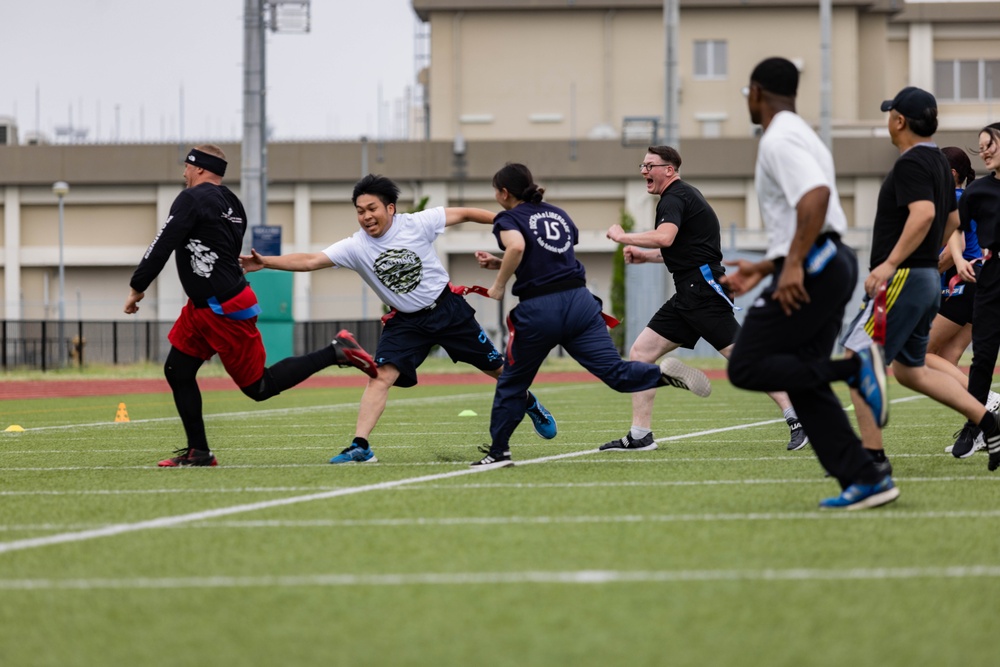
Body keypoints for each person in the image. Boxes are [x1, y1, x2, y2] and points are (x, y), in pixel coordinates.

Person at [240, 173, 557, 464]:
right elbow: (310, 260)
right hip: (406, 324)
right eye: (360, 210)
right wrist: (265, 261)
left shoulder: (417, 223)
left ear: (390, 208)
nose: (366, 216)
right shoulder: (355, 246)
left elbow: (464, 213)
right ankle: (361, 445)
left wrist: (510, 222)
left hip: (448, 312)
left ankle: (529, 402)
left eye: (372, 208)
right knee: (380, 376)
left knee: (499, 370)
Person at [124, 144, 377, 468]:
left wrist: (137, 287)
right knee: (178, 370)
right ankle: (199, 452)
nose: (183, 174)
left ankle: (336, 350)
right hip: (204, 306)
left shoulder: (191, 198)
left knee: (259, 387)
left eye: (186, 168)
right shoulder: (233, 203)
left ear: (198, 168)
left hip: (221, 307)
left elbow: (163, 242)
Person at [723, 57, 896, 509]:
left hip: (814, 263)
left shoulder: (778, 138)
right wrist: (764, 269)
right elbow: (808, 209)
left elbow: (814, 198)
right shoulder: (802, 133)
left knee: (745, 365)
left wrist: (793, 265)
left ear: (756, 92)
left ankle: (855, 369)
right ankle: (866, 478)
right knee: (803, 379)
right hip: (827, 259)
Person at [471, 162, 711, 469]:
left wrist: (499, 285)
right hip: (581, 304)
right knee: (616, 373)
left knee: (513, 382)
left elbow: (518, 245)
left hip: (541, 308)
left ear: (504, 192)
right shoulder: (557, 214)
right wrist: (500, 262)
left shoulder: (508, 217)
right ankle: (662, 375)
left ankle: (499, 452)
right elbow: (546, 255)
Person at [603, 145, 806, 453]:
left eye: (649, 166)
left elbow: (665, 237)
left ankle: (798, 419)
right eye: (642, 166)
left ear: (668, 170)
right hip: (691, 291)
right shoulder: (683, 196)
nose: (644, 171)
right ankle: (640, 434)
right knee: (641, 352)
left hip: (702, 292)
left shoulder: (673, 197)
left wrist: (623, 236)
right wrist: (646, 257)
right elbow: (685, 249)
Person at [839, 88, 1000, 472]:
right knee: (911, 370)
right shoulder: (938, 165)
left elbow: (926, 215)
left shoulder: (912, 163)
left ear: (899, 121)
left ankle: (872, 464)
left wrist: (890, 264)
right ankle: (986, 420)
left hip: (905, 277)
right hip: (926, 279)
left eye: (890, 114)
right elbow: (952, 223)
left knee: (858, 357)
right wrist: (938, 264)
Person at [931, 147, 1000, 456]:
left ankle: (988, 402)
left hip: (966, 282)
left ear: (951, 174)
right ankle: (981, 430)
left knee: (916, 351)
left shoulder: (957, 200)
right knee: (947, 358)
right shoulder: (966, 196)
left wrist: (920, 274)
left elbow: (948, 253)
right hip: (979, 282)